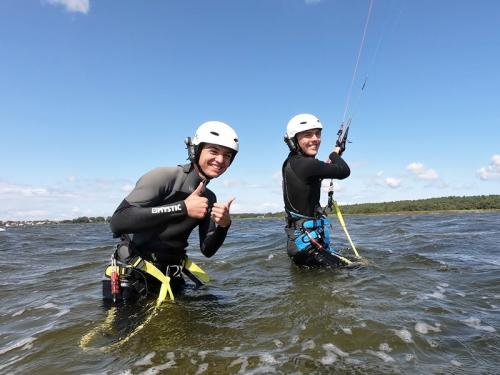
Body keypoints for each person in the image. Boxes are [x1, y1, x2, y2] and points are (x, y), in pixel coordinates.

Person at [103, 121, 239, 304]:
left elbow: (207, 250)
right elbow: (118, 221)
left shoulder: (209, 197)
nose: (221, 160)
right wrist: (183, 207)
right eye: (213, 151)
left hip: (173, 277)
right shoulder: (164, 177)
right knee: (121, 333)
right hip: (133, 277)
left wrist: (224, 225)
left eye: (227, 155)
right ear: (195, 150)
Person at [282, 113, 350, 267]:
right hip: (307, 248)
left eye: (318, 134)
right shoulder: (305, 165)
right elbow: (344, 171)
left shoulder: (292, 163)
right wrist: (334, 154)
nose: (315, 139)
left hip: (300, 244)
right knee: (359, 272)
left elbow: (312, 178)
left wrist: (335, 154)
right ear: (294, 140)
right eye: (308, 135)